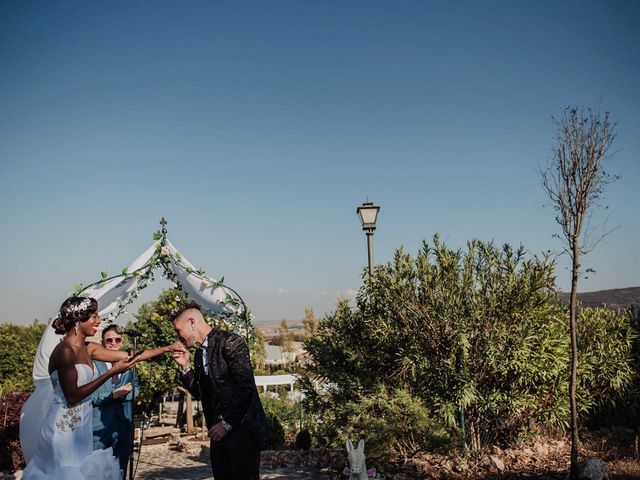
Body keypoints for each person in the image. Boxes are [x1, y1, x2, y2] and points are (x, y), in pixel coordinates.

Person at [22, 296, 184, 480]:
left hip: (82, 428)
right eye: (94, 317)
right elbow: (72, 396)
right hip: (63, 431)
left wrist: (167, 348)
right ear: (78, 319)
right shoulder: (64, 351)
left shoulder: (89, 348)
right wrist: (110, 372)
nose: (98, 321)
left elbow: (130, 356)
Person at [171, 300, 269, 480]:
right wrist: (185, 367)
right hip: (219, 434)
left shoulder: (231, 342)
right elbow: (201, 392)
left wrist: (226, 424)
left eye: (179, 331)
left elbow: (245, 389)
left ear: (191, 322)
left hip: (243, 432)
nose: (179, 337)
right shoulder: (199, 354)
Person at [92, 325, 139, 478]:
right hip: (100, 427)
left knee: (121, 470)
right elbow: (90, 397)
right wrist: (113, 395)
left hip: (124, 425)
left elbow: (136, 389)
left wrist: (127, 393)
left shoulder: (130, 364)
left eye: (117, 339)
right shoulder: (93, 363)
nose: (113, 343)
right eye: (109, 340)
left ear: (122, 341)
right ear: (102, 342)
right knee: (98, 470)